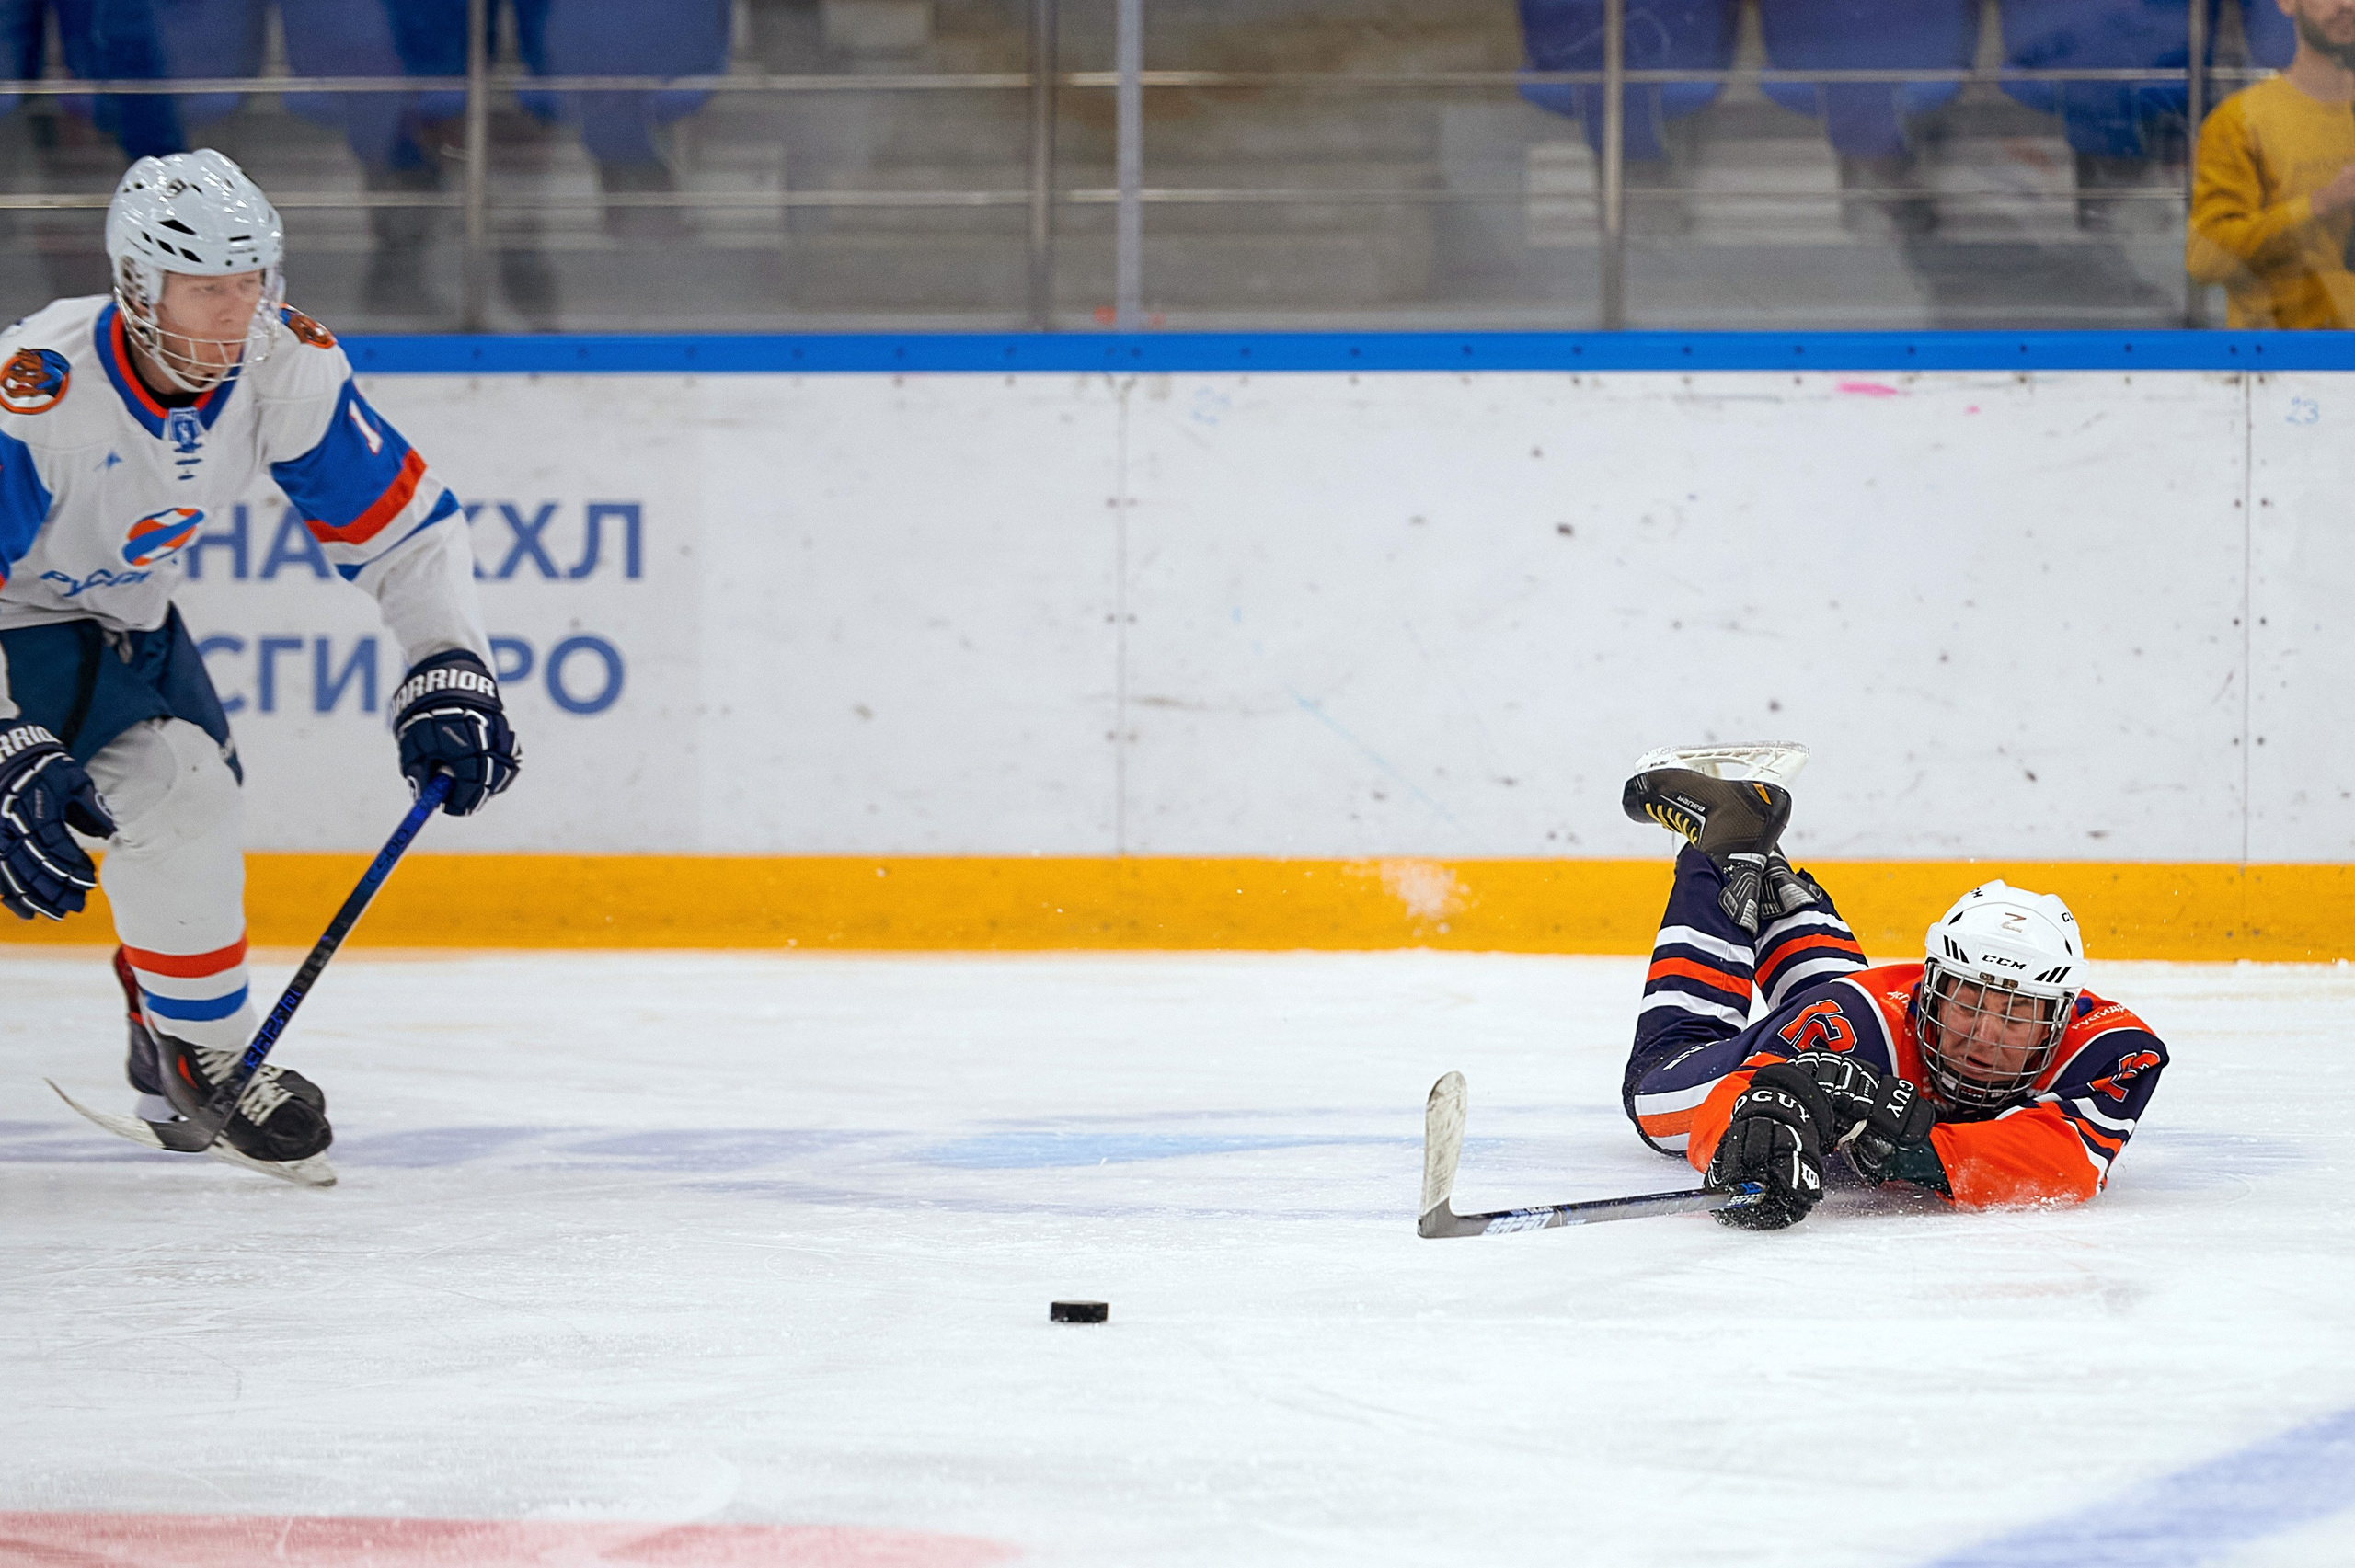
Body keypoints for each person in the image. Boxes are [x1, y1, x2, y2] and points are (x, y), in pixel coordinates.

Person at [0, 149, 520, 1180]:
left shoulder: (284, 365)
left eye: (250, 282)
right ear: (138, 287)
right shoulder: (40, 392)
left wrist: (446, 660)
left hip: (118, 624)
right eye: (206, 289)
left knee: (188, 799)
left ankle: (194, 1048)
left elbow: (405, 533)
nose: (236, 313)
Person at [1618, 748, 2168, 1230]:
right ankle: (1721, 851)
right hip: (1854, 1015)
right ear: (1929, 991)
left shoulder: (2109, 1051)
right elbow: (1724, 1103)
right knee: (1654, 1089)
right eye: (1967, 1003)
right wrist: (1753, 1125)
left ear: (2063, 1018)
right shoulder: (1856, 1025)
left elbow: (2063, 1163)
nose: (1985, 1036)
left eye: (2017, 1013)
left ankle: (1756, 861)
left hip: (1855, 1014)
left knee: (1839, 1009)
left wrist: (1913, 1149)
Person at [2187, 0, 2355, 328]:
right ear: (2288, 3)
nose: (2346, 4)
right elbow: (2205, 261)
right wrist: (2319, 205)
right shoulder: (2240, 122)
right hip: (2280, 361)